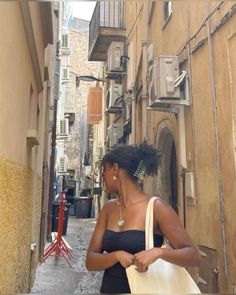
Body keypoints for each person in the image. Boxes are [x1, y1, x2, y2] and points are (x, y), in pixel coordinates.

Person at [86, 142, 201, 293]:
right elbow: (90, 261)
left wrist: (158, 253)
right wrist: (116, 256)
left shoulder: (156, 207)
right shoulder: (108, 209)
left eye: (104, 172)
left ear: (115, 169)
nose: (102, 177)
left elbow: (193, 256)